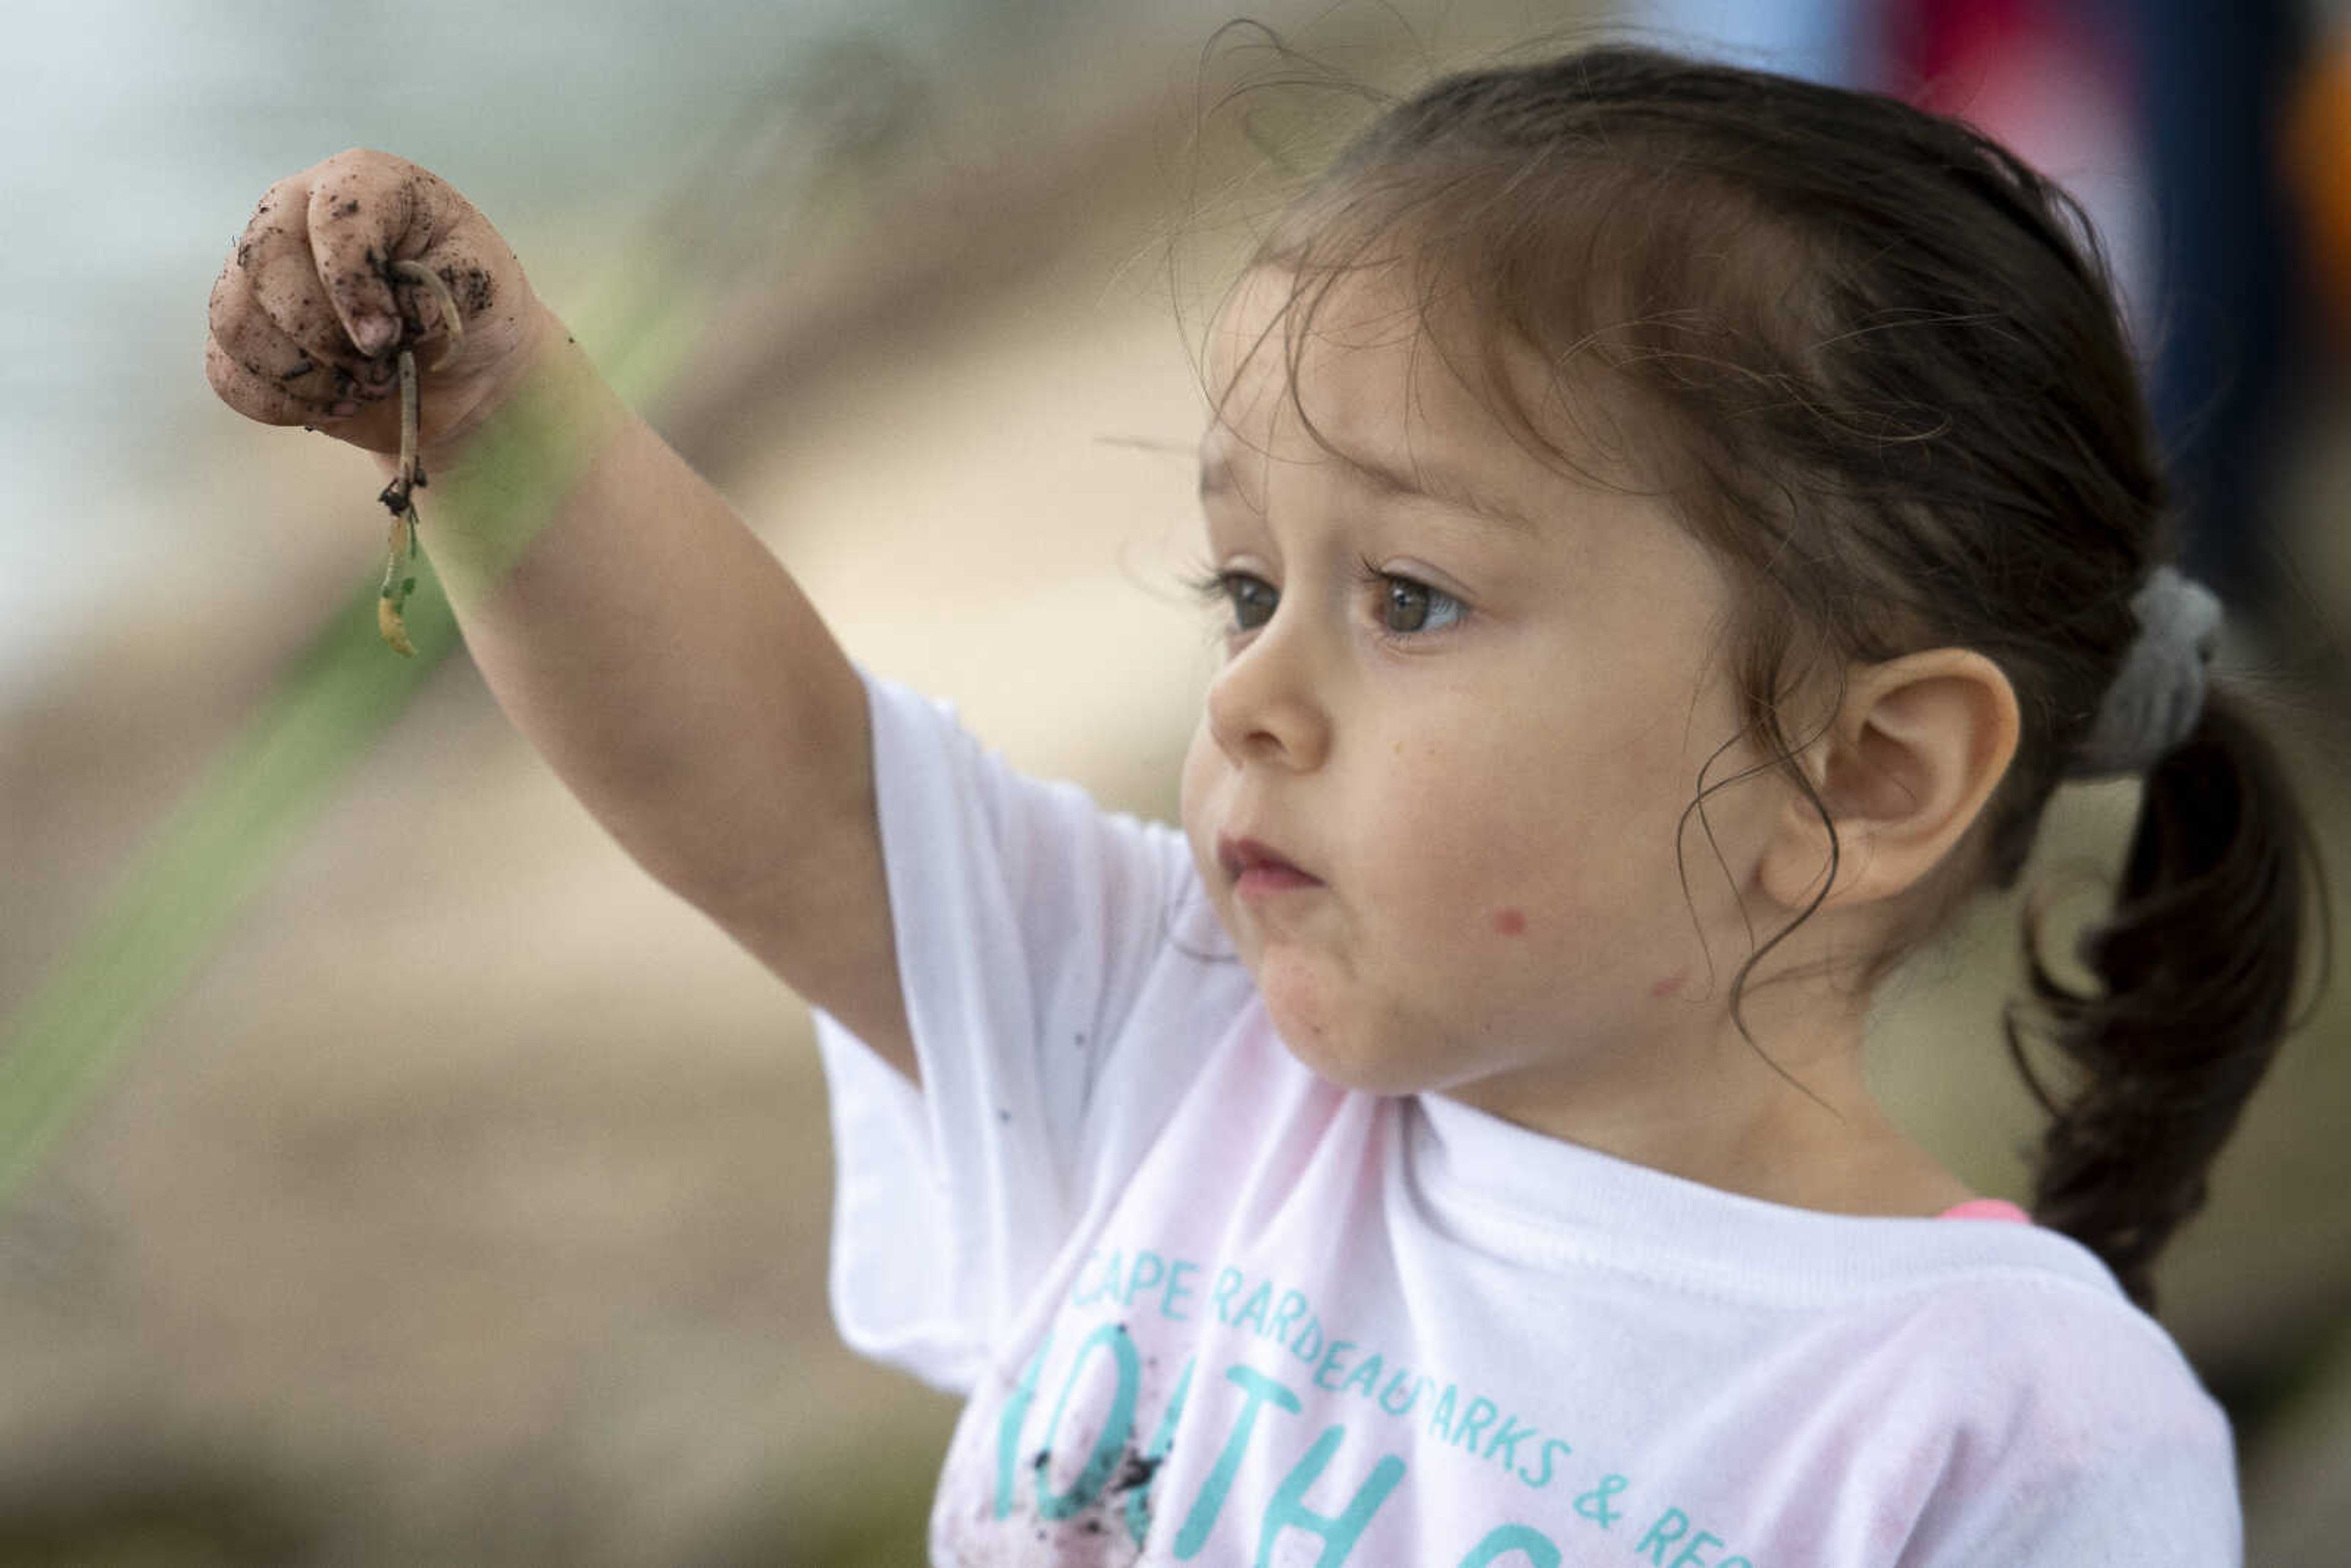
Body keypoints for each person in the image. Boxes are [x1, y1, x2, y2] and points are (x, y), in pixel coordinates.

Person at [204, 42, 2322, 1566]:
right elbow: (773, 785)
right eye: (1246, 583)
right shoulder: (1178, 1043)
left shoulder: (2003, 1419)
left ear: (1860, 770)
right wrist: (478, 401)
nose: (1250, 691)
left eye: (1408, 595)